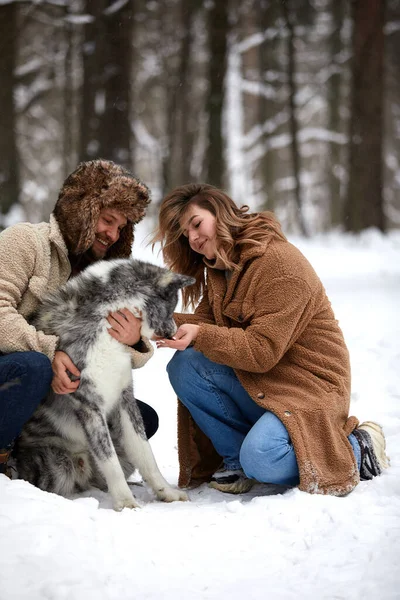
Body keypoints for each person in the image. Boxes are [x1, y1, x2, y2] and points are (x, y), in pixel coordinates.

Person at [152, 183, 390, 496]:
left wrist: (201, 333)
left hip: (309, 387)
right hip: (265, 381)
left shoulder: (279, 263)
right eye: (186, 234)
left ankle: (357, 447)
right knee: (186, 365)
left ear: (220, 212)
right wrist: (157, 321)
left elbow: (262, 350)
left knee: (263, 458)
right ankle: (238, 460)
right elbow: (208, 324)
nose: (194, 239)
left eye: (197, 224)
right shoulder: (220, 269)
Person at [0, 159, 158, 477]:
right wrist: (51, 350)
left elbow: (138, 355)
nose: (112, 234)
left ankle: (27, 451)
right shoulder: (26, 241)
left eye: (121, 227)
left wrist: (133, 341)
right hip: (14, 373)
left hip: (53, 399)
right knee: (34, 367)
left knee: (143, 418)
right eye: (107, 220)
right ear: (82, 210)